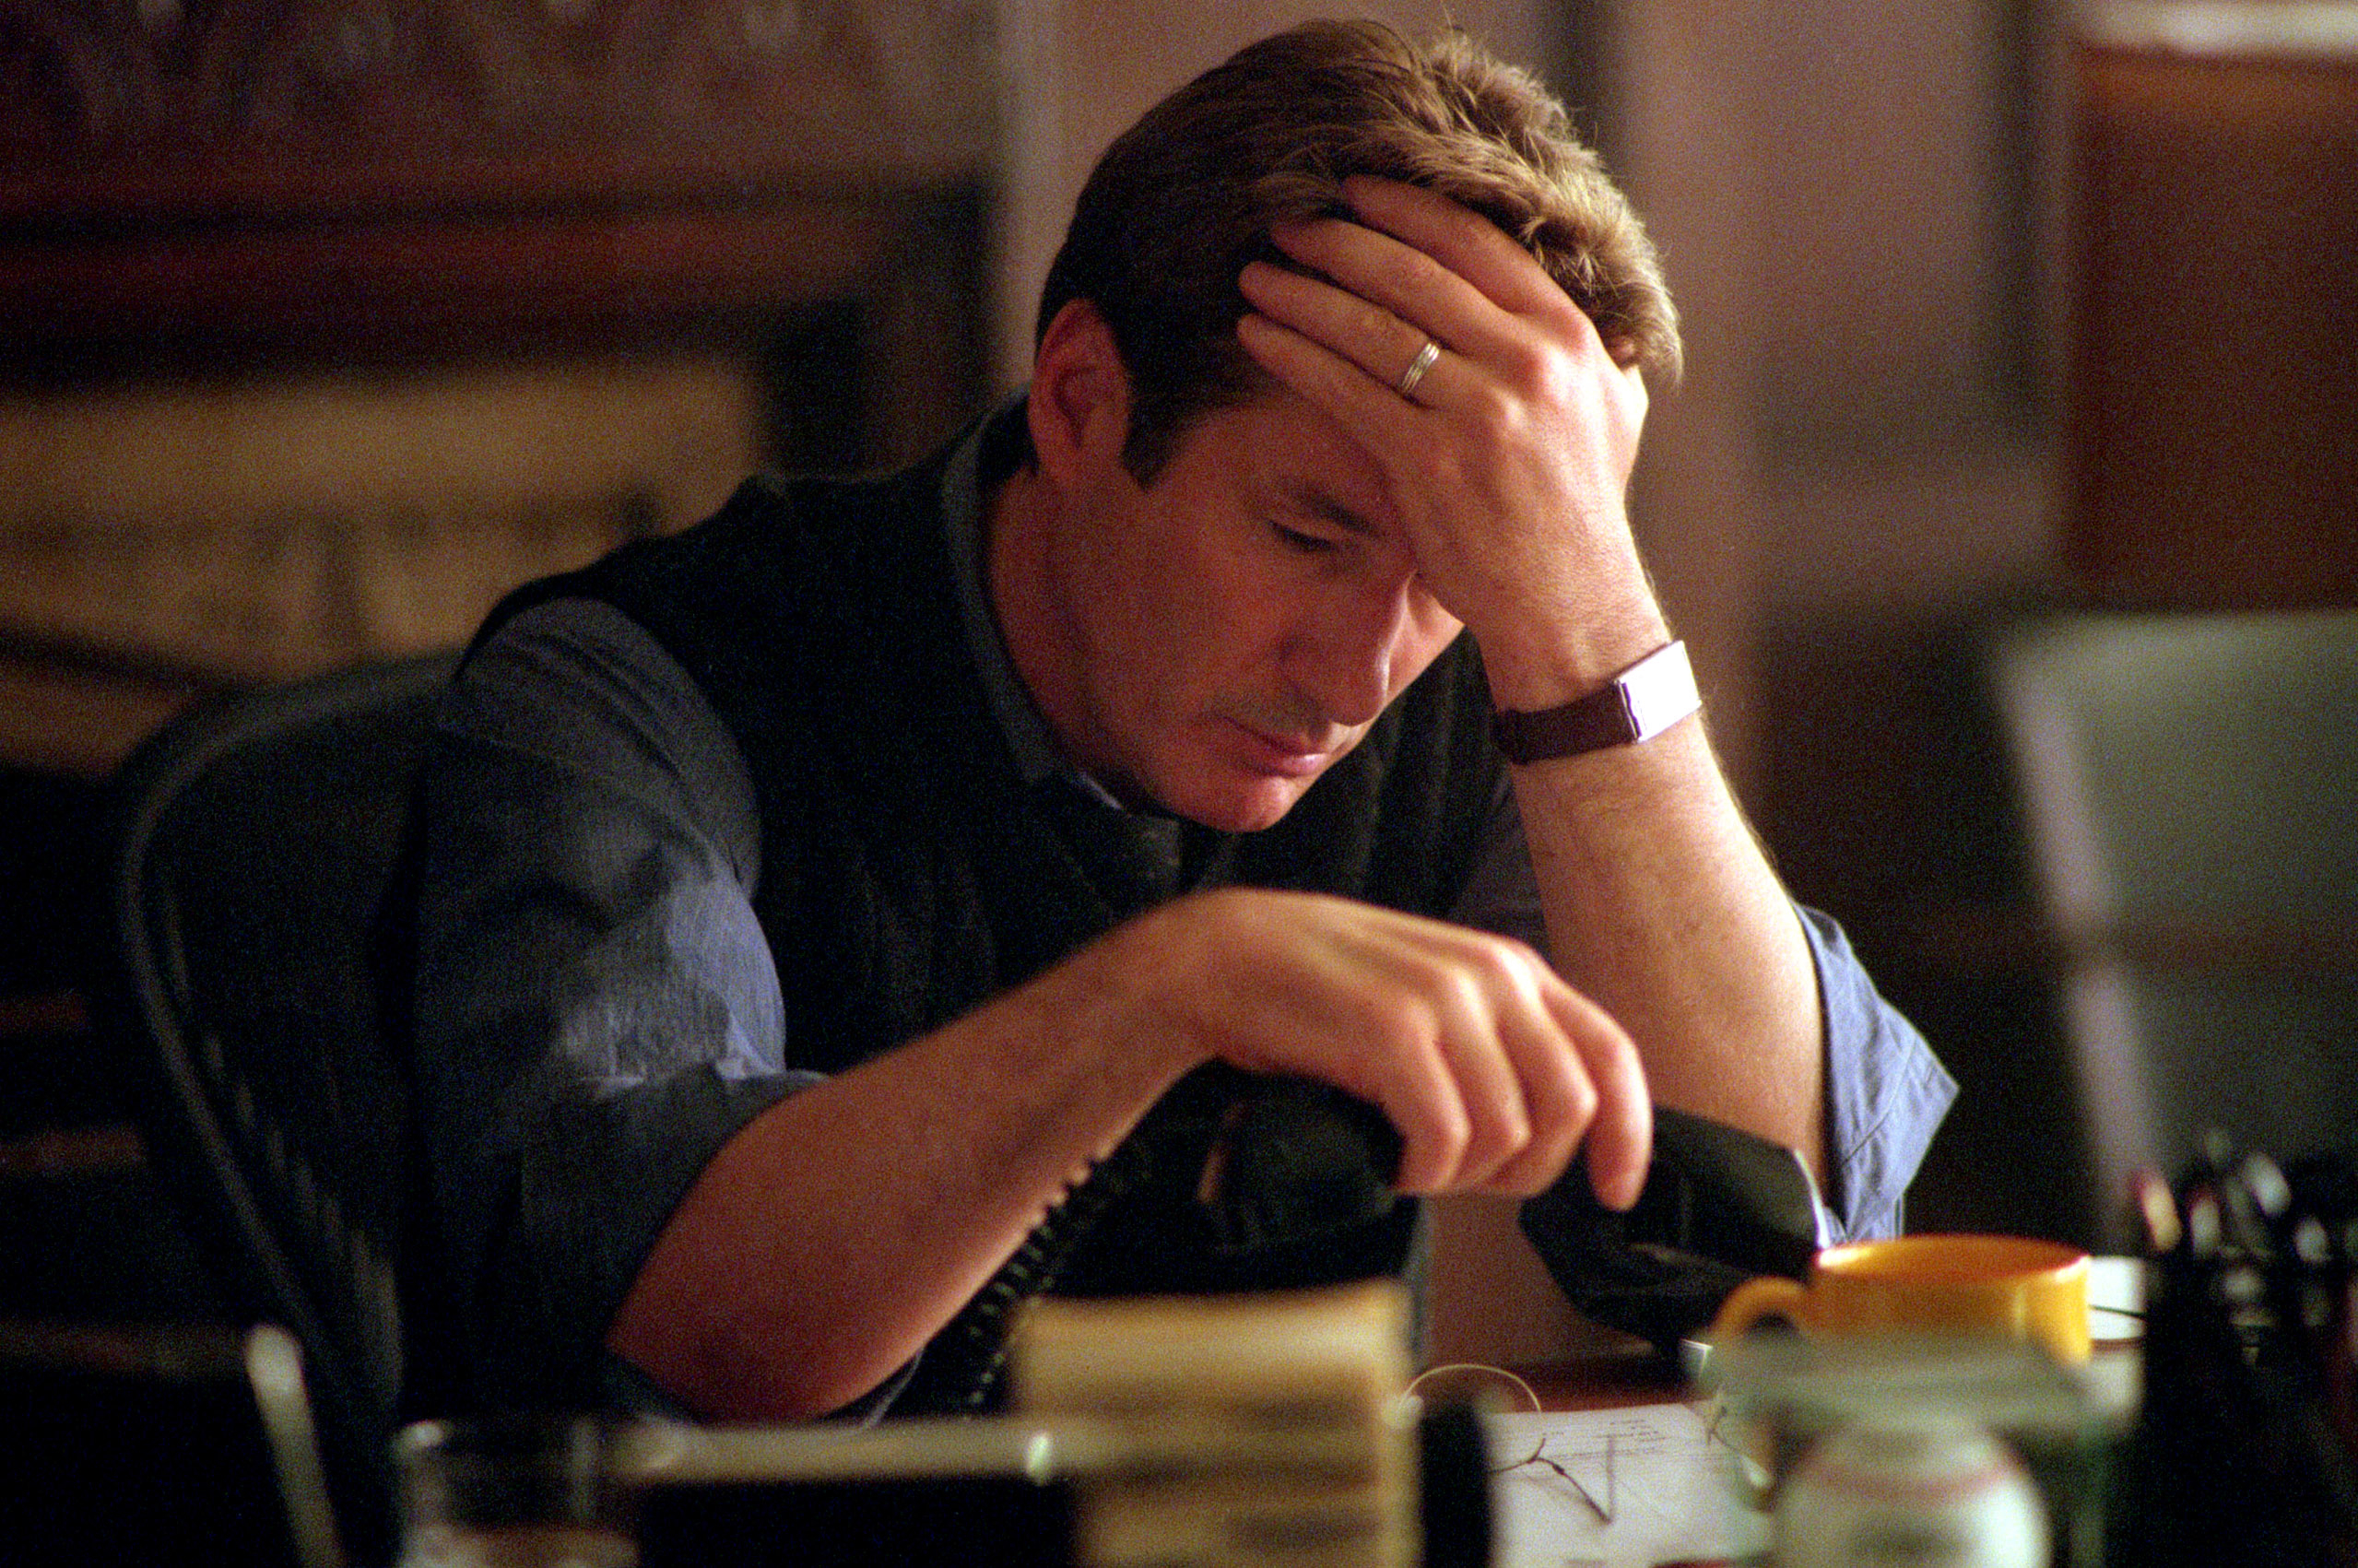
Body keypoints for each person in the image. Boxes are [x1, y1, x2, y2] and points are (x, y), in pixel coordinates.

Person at [399, 18, 1953, 1423]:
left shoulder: (1490, 679)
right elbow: (685, 1340)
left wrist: (1584, 611)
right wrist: (1165, 994)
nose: (1359, 678)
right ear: (1080, 398)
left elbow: (1789, 1228)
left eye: (1454, 573)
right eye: (1306, 533)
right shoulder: (630, 689)